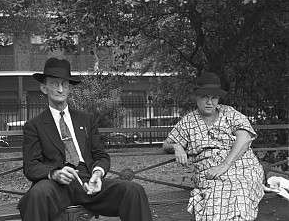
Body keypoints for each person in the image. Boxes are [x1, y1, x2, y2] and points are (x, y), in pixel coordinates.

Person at [17, 57, 153, 221]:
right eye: (54, 84)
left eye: (65, 84)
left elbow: (101, 156)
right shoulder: (34, 125)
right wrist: (54, 173)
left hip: (88, 181)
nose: (60, 89)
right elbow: (31, 166)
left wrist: (97, 173)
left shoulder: (86, 120)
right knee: (36, 195)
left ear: (69, 89)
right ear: (44, 88)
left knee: (134, 190)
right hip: (56, 185)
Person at [162, 73, 265, 220]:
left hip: (243, 170)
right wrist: (177, 147)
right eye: (205, 97)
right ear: (196, 97)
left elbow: (245, 137)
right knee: (215, 204)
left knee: (240, 196)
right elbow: (166, 144)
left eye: (214, 98)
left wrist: (225, 165)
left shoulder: (229, 113)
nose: (209, 102)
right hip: (210, 175)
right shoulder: (188, 122)